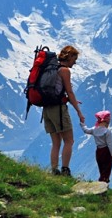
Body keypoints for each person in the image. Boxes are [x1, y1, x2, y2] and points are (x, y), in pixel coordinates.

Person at [43, 45, 85, 176]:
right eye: (74, 58)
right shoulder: (65, 70)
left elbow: (57, 90)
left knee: (56, 142)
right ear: (70, 56)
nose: (75, 62)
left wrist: (68, 99)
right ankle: (65, 170)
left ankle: (54, 170)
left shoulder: (50, 68)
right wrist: (79, 111)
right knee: (69, 140)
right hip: (58, 110)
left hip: (47, 109)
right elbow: (69, 91)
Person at [80, 110, 112, 183]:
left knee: (101, 167)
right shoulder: (107, 131)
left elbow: (86, 130)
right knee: (107, 169)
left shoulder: (94, 129)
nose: (109, 120)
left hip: (98, 151)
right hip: (106, 152)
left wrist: (82, 123)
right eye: (108, 118)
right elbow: (110, 144)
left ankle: (101, 181)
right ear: (105, 120)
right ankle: (104, 183)